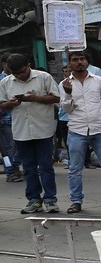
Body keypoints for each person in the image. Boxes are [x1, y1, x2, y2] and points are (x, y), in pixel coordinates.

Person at [60, 49, 101, 213]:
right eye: (75, 60)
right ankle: (76, 201)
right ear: (70, 63)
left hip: (99, 129)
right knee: (75, 169)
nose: (79, 62)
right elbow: (67, 110)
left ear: (87, 62)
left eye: (82, 59)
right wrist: (69, 94)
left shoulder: (99, 81)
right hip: (77, 130)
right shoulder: (64, 84)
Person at [0, 54, 60, 213]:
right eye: (16, 73)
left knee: (46, 167)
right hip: (21, 131)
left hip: (44, 129)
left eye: (22, 71)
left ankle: (50, 199)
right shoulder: (6, 82)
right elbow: (2, 105)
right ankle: (34, 200)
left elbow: (56, 98)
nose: (19, 75)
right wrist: (11, 103)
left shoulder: (43, 77)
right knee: (28, 168)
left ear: (29, 64)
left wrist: (35, 98)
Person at [0, 56, 22, 183]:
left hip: (19, 118)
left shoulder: (18, 78)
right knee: (9, 148)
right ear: (4, 64)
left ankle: (15, 167)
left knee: (19, 146)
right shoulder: (1, 80)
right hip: (5, 120)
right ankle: (11, 171)